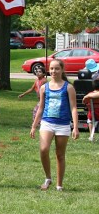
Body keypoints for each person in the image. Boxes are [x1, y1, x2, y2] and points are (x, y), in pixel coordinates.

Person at [31, 59, 78, 191]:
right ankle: (48, 178)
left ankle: (59, 184)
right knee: (43, 149)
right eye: (51, 68)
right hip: (47, 123)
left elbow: (73, 108)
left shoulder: (68, 87)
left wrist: (75, 127)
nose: (53, 71)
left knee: (60, 154)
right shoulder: (44, 87)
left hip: (63, 124)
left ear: (62, 70)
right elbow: (40, 108)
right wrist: (34, 125)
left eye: (57, 68)